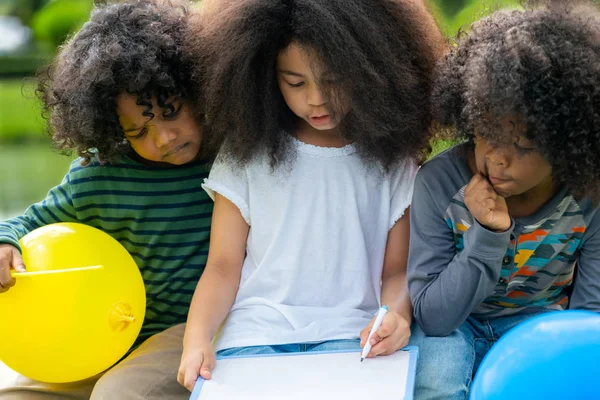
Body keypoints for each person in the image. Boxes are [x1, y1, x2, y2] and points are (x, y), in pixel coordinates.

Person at [177, 0, 446, 391]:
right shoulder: (245, 155)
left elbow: (397, 270)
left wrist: (395, 315)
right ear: (267, 78)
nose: (316, 98)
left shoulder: (395, 163)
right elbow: (222, 266)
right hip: (254, 337)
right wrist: (196, 338)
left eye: (334, 79)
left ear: (372, 68)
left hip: (353, 338)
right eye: (296, 82)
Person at [0, 1, 214, 398]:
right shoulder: (99, 175)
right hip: (105, 331)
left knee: (120, 394)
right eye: (139, 131)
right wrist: (4, 242)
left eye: (171, 112)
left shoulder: (230, 163)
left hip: (193, 331)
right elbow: (27, 222)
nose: (163, 138)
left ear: (198, 88)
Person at [407, 1, 600, 398]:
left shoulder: (589, 199)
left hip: (542, 324)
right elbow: (434, 318)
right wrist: (487, 235)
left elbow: (587, 326)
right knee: (434, 383)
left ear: (568, 145)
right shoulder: (439, 185)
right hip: (457, 325)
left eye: (523, 145)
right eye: (487, 132)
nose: (498, 158)